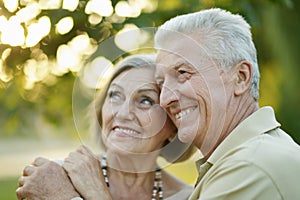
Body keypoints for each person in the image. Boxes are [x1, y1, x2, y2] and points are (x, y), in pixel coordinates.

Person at [154, 7, 300, 199]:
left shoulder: (249, 166)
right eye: (161, 83)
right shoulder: (244, 158)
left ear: (240, 77)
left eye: (182, 73)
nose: (165, 99)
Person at [16, 54, 194, 200]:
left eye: (145, 101)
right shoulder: (56, 178)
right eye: (115, 95)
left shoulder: (187, 196)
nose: (123, 113)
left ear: (174, 126)